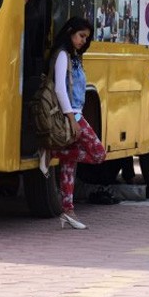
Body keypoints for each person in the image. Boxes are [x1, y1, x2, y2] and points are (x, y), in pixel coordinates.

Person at [39, 16, 106, 229]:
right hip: (72, 115)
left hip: (75, 112)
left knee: (70, 166)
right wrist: (72, 118)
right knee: (98, 153)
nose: (83, 41)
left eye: (86, 38)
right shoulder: (62, 55)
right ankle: (53, 153)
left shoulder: (75, 57)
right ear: (70, 33)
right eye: (81, 36)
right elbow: (59, 88)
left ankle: (67, 210)